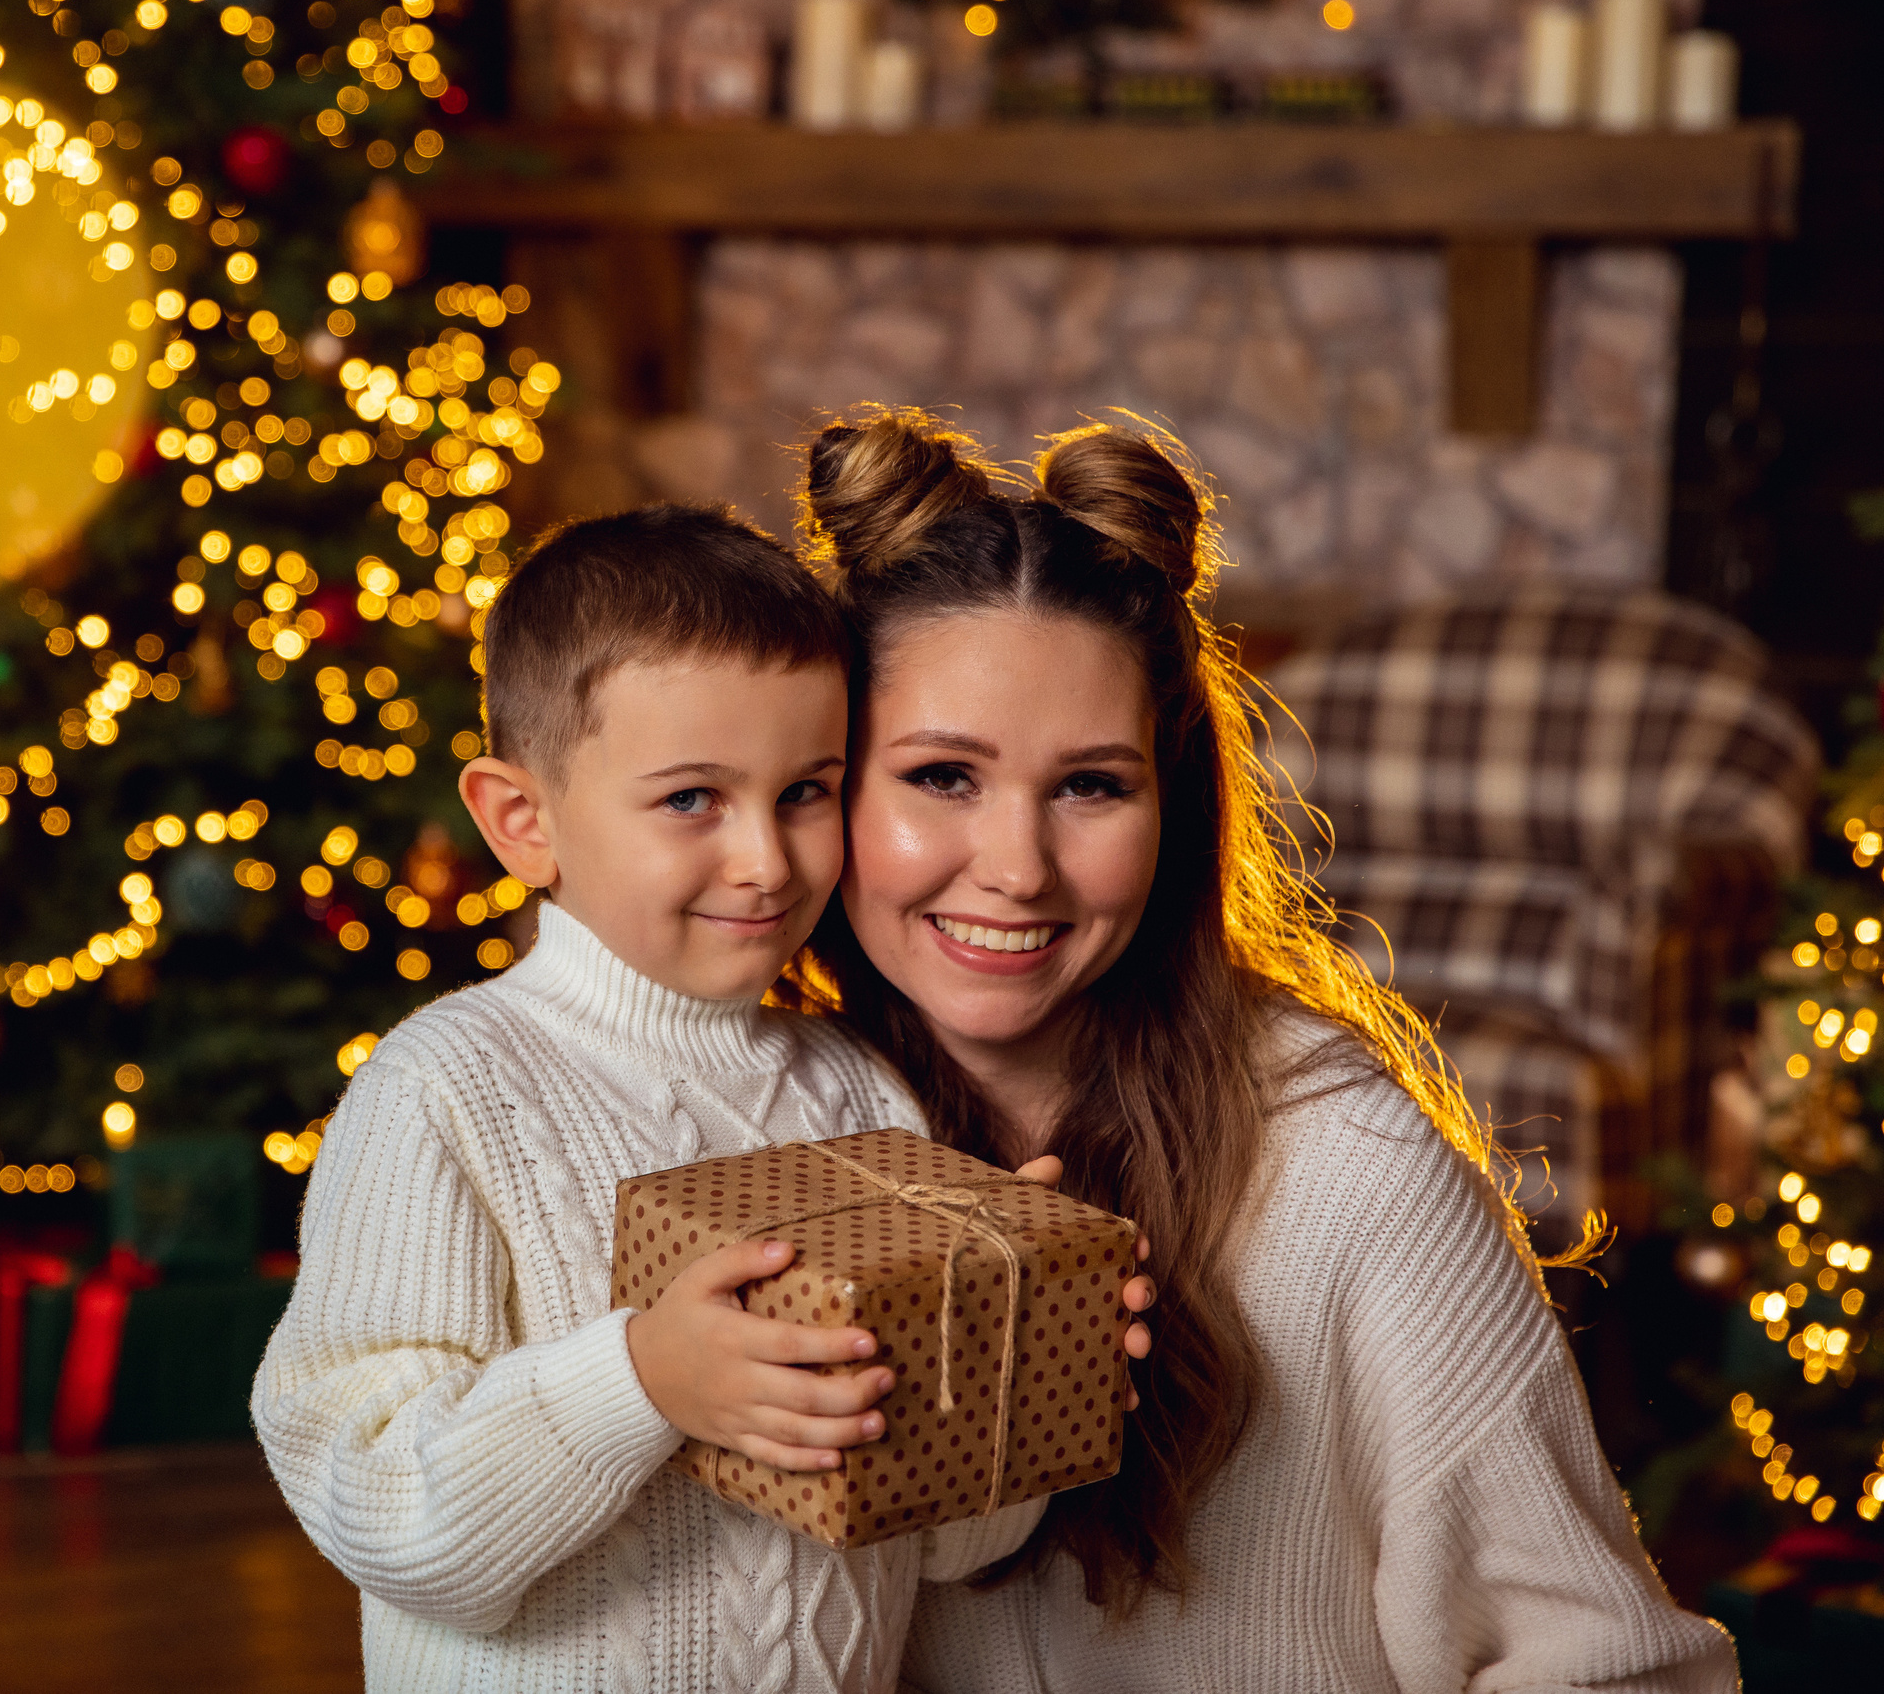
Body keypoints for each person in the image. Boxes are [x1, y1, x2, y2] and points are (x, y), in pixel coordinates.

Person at [773, 408, 1737, 1692]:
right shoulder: (753, 1116)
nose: (1015, 869)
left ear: (1173, 803)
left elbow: (1614, 1672)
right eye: (942, 776)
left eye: (1091, 786)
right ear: (827, 784)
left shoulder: (1342, 1166)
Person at [252, 504, 1084, 1693]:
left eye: (806, 792)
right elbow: (380, 1511)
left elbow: (949, 1547)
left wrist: (1007, 1348)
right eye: (692, 799)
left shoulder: (859, 1089)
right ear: (521, 822)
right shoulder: (444, 1091)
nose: (766, 859)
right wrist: (639, 1380)